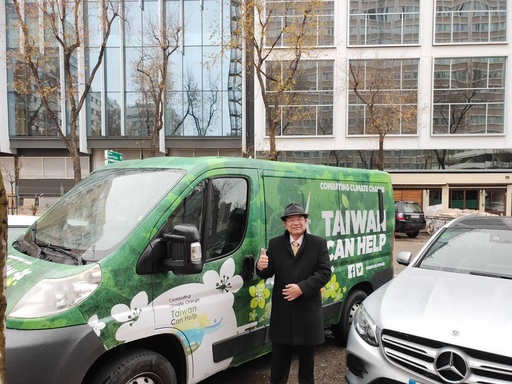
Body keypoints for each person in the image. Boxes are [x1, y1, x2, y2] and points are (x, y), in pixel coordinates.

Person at [256, 202, 331, 384]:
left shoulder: (318, 243)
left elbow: (324, 272)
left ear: (305, 222)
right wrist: (261, 266)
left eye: (299, 219)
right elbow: (267, 272)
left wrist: (302, 288)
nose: (295, 222)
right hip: (283, 315)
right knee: (278, 368)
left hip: (307, 314)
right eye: (291, 219)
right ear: (285, 224)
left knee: (306, 369)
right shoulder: (275, 244)